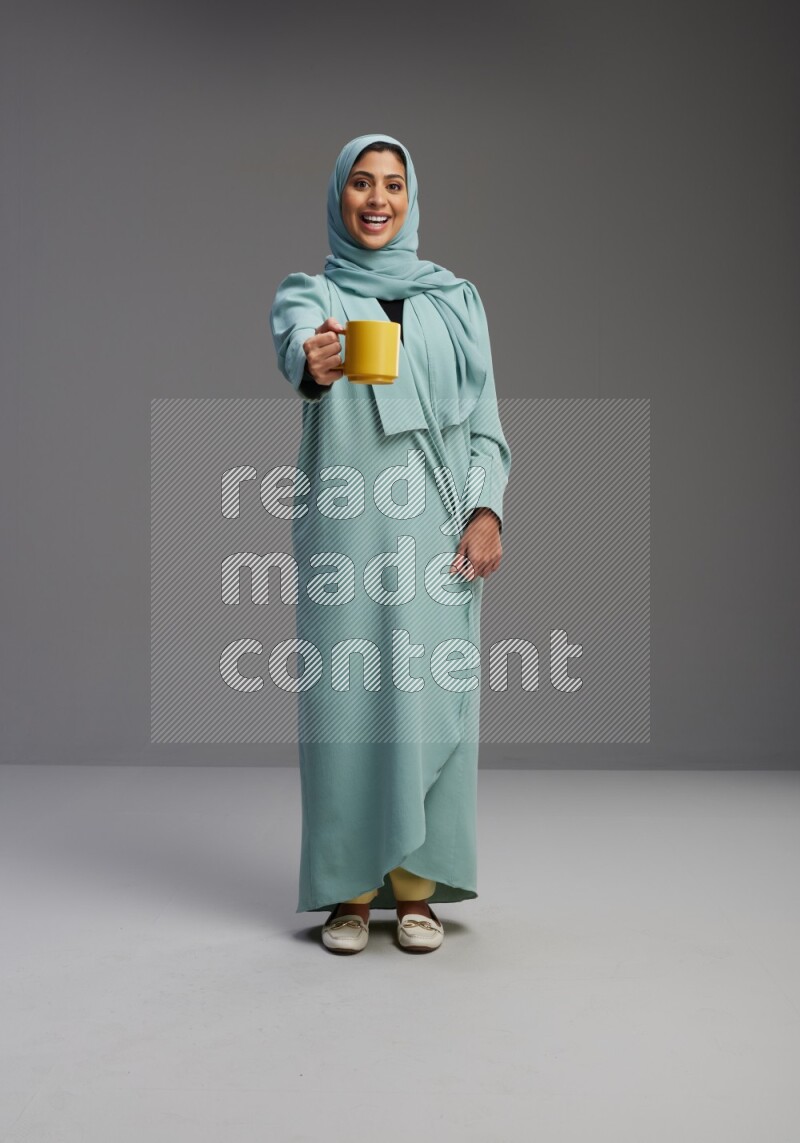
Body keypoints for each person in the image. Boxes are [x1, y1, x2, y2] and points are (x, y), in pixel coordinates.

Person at [269, 133, 511, 954]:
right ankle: (347, 890)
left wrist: (487, 512)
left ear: (412, 199)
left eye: (394, 186)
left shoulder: (457, 303)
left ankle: (416, 891)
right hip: (350, 529)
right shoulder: (315, 293)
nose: (378, 199)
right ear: (339, 198)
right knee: (346, 709)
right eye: (361, 185)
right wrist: (319, 360)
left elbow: (486, 430)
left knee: (428, 702)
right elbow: (299, 345)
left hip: (438, 531)